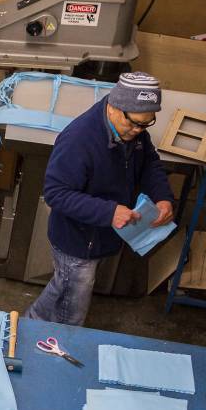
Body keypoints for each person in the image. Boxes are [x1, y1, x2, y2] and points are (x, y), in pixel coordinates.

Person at [24, 71, 175, 326]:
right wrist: (109, 212)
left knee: (65, 284)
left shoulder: (134, 131)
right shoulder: (79, 140)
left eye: (146, 124)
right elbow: (56, 192)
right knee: (72, 306)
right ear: (114, 107)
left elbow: (150, 163)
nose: (138, 130)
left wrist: (163, 197)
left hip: (101, 235)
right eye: (135, 123)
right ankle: (61, 338)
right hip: (78, 239)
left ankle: (29, 322)